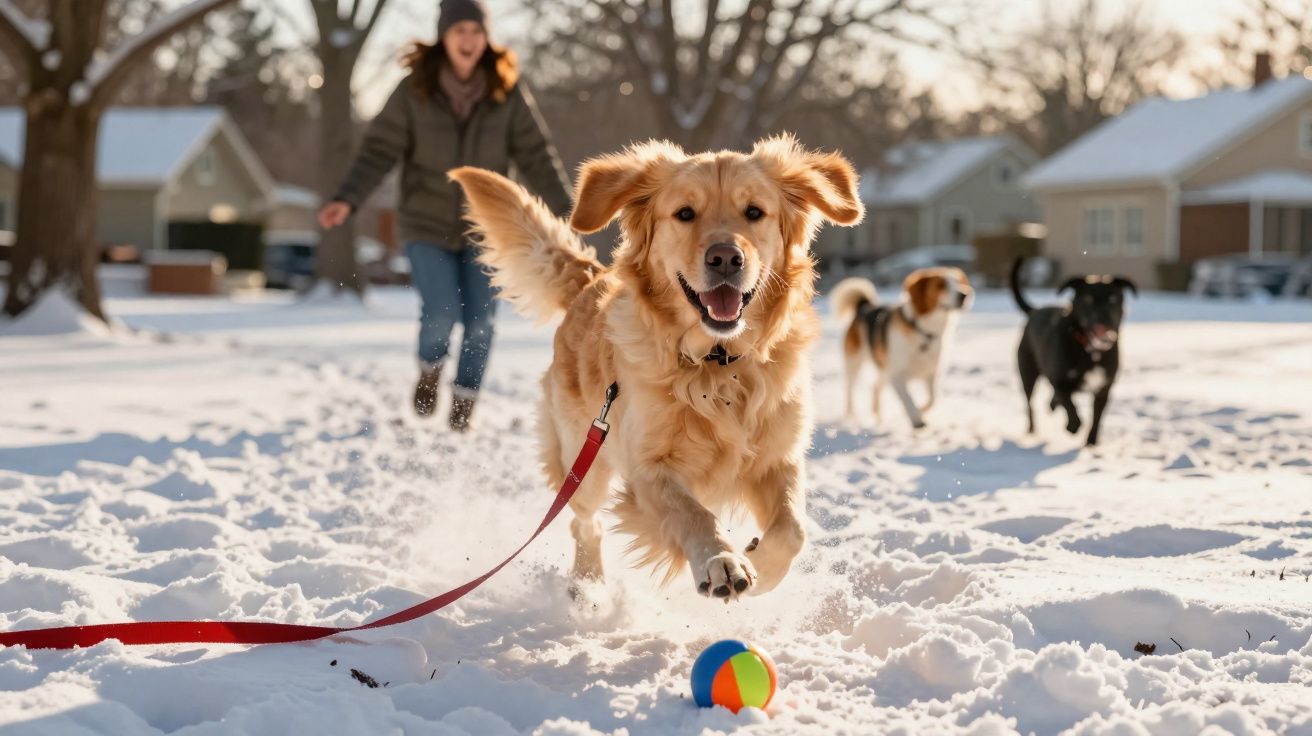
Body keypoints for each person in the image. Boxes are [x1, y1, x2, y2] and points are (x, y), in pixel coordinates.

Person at [319, 0, 572, 432]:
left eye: (476, 32)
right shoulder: (414, 90)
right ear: (444, 37)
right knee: (441, 313)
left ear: (486, 38)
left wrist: (569, 210)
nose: (468, 41)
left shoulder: (505, 91)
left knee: (480, 322)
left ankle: (464, 402)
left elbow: (536, 154)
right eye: (460, 32)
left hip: (486, 228)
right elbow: (379, 150)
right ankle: (430, 369)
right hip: (425, 223)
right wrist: (348, 197)